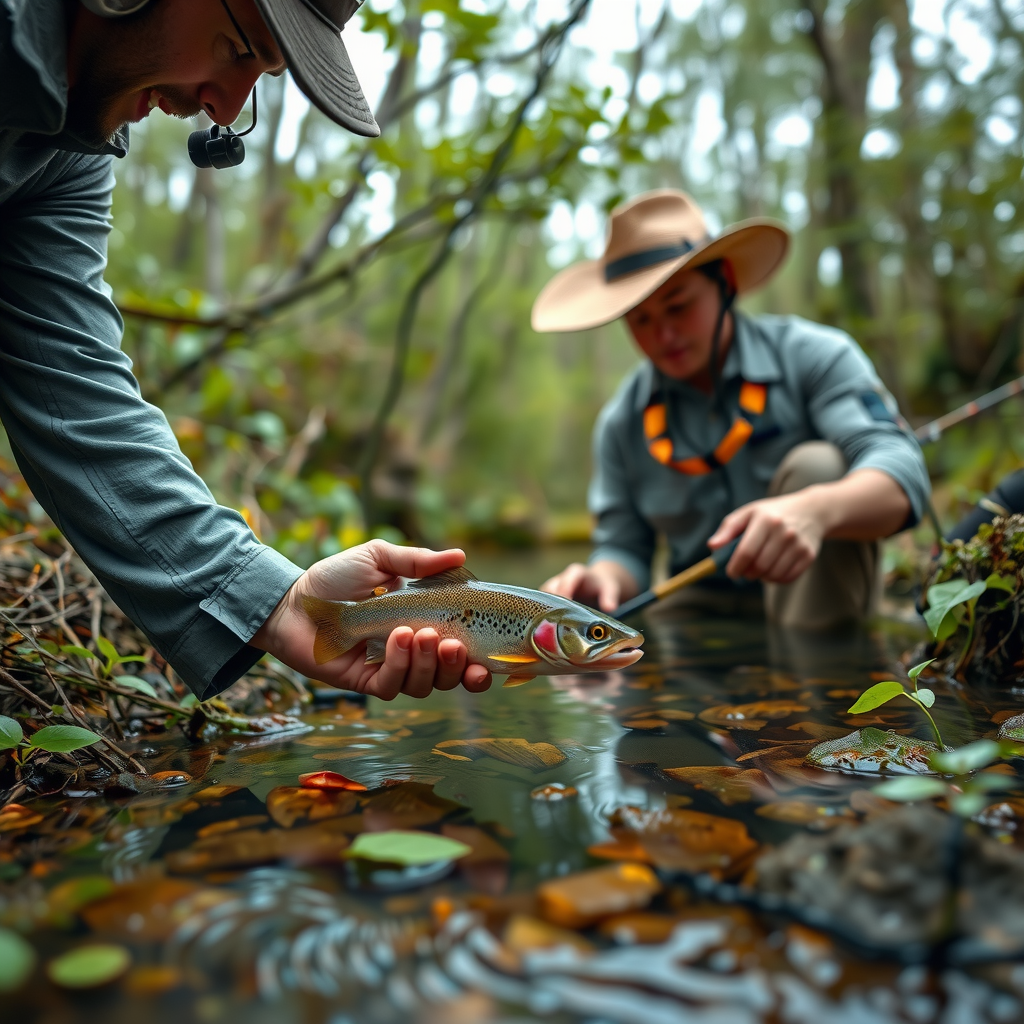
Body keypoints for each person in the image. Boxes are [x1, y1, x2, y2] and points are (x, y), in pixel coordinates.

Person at [0, 0, 491, 699]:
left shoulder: (72, 148)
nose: (225, 110)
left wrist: (281, 603)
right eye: (237, 47)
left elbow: (71, 387)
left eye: (263, 73)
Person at [535, 190, 931, 629]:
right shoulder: (621, 423)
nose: (663, 334)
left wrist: (816, 510)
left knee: (819, 464)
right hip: (694, 613)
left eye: (678, 306)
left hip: (818, 605)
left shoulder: (815, 356)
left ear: (725, 281)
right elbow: (624, 548)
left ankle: (823, 690)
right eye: (641, 320)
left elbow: (902, 470)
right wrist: (600, 578)